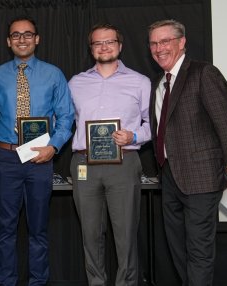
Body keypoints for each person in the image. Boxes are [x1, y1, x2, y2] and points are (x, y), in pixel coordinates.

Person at [147, 19, 227, 285]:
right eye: (154, 43)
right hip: (169, 177)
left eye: (165, 41)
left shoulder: (203, 73)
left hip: (202, 176)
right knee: (177, 248)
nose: (159, 48)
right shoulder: (158, 83)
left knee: (199, 249)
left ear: (182, 42)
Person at [0, 16, 74, 286]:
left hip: (40, 158)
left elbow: (66, 117)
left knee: (38, 229)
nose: (22, 39)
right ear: (8, 41)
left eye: (28, 34)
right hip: (7, 158)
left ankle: (38, 281)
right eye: (16, 35)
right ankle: (7, 282)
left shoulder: (54, 74)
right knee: (6, 229)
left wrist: (53, 147)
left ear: (37, 38)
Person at [68, 23, 151, 286]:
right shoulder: (75, 83)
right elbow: (62, 120)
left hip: (124, 162)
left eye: (110, 42)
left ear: (120, 45)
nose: (104, 47)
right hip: (84, 163)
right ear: (91, 48)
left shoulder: (140, 82)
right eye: (98, 43)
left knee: (125, 234)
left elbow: (154, 124)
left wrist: (134, 136)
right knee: (90, 234)